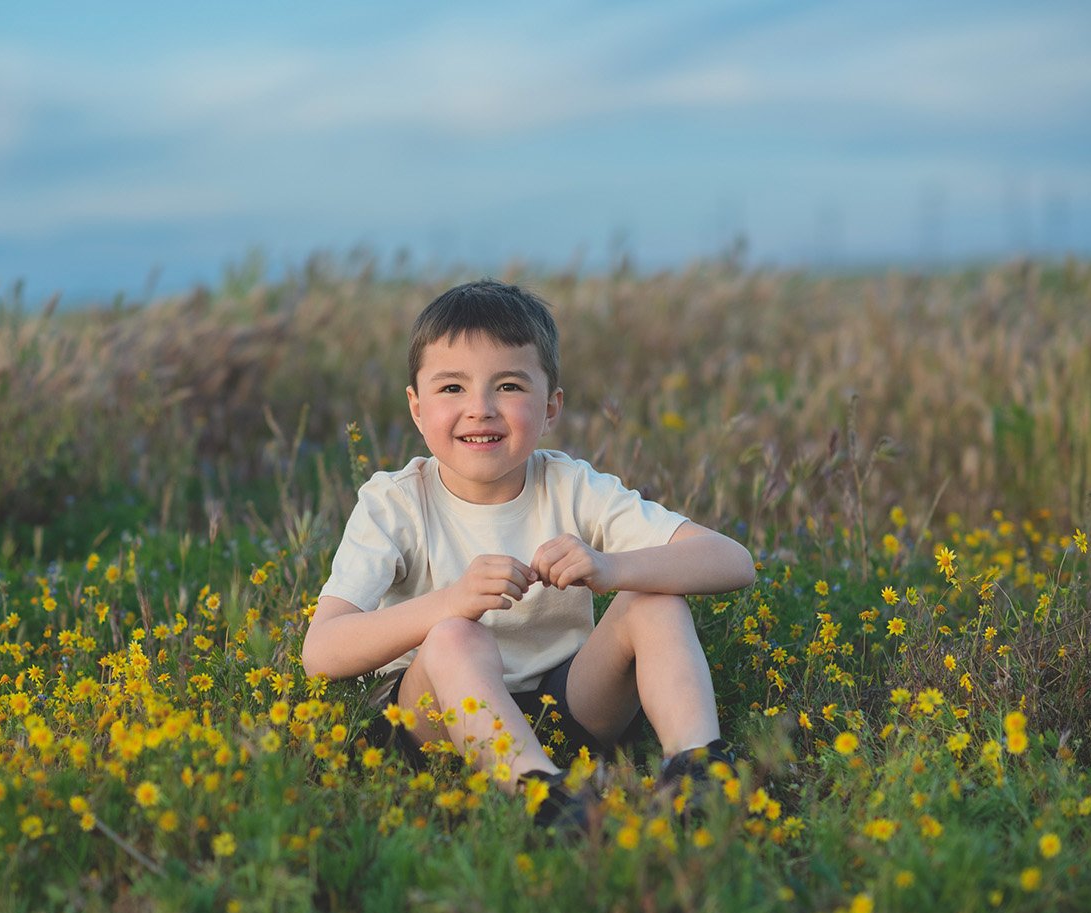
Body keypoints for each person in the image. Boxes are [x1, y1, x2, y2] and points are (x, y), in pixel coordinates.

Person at [301, 278, 755, 829]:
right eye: (452, 389)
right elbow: (321, 651)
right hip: (435, 724)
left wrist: (612, 568)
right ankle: (542, 800)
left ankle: (698, 772)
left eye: (509, 386)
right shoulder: (395, 502)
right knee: (454, 636)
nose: (481, 410)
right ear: (417, 410)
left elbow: (732, 561)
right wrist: (451, 602)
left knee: (653, 600)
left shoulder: (571, 486)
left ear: (550, 407)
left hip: (568, 709)